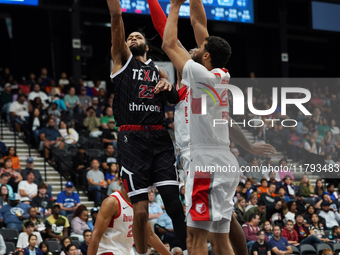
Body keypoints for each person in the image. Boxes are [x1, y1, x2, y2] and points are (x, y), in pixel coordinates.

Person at [161, 0, 276, 253]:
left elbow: (168, 44)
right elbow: (199, 24)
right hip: (224, 160)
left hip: (204, 162)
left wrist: (175, 6)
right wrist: (249, 146)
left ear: (206, 56)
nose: (195, 46)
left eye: (200, 47)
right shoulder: (221, 73)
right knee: (220, 239)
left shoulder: (200, 76)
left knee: (195, 239)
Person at [106, 0, 188, 252]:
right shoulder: (121, 61)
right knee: (140, 213)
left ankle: (187, 249)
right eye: (129, 37)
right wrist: (116, 8)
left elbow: (175, 98)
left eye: (137, 36)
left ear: (147, 45)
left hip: (160, 138)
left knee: (174, 204)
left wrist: (168, 85)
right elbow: (117, 17)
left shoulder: (160, 71)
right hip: (133, 141)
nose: (131, 38)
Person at [87, 181, 172, 255]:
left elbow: (149, 235)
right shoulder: (112, 202)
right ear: (122, 180)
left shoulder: (140, 204)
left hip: (127, 251)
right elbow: (96, 234)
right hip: (108, 250)